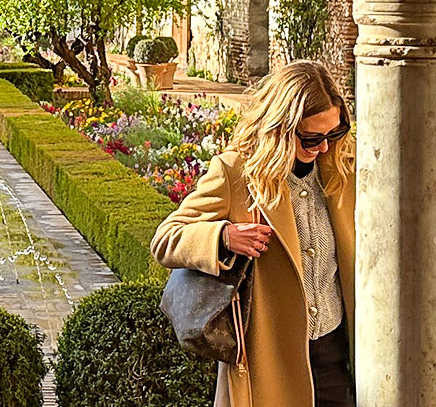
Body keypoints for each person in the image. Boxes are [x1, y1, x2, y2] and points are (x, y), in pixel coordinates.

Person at [152, 60, 355, 407]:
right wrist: (224, 237)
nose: (324, 147)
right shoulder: (236, 173)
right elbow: (166, 239)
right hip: (269, 361)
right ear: (281, 127)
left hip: (338, 354)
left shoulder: (343, 167)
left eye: (333, 134)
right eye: (311, 138)